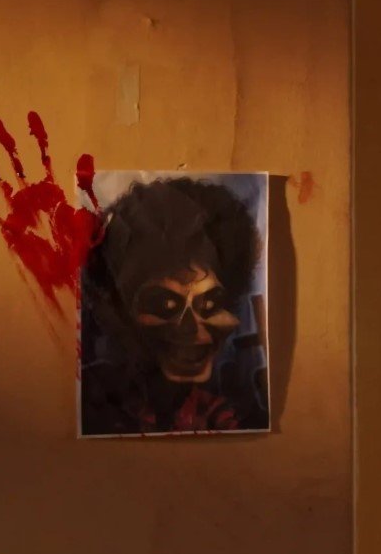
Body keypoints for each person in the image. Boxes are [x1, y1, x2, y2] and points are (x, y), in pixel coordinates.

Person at [79, 177, 270, 435]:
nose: (192, 328)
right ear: (121, 310)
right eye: (166, 303)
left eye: (210, 303)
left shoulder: (224, 412)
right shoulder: (90, 399)